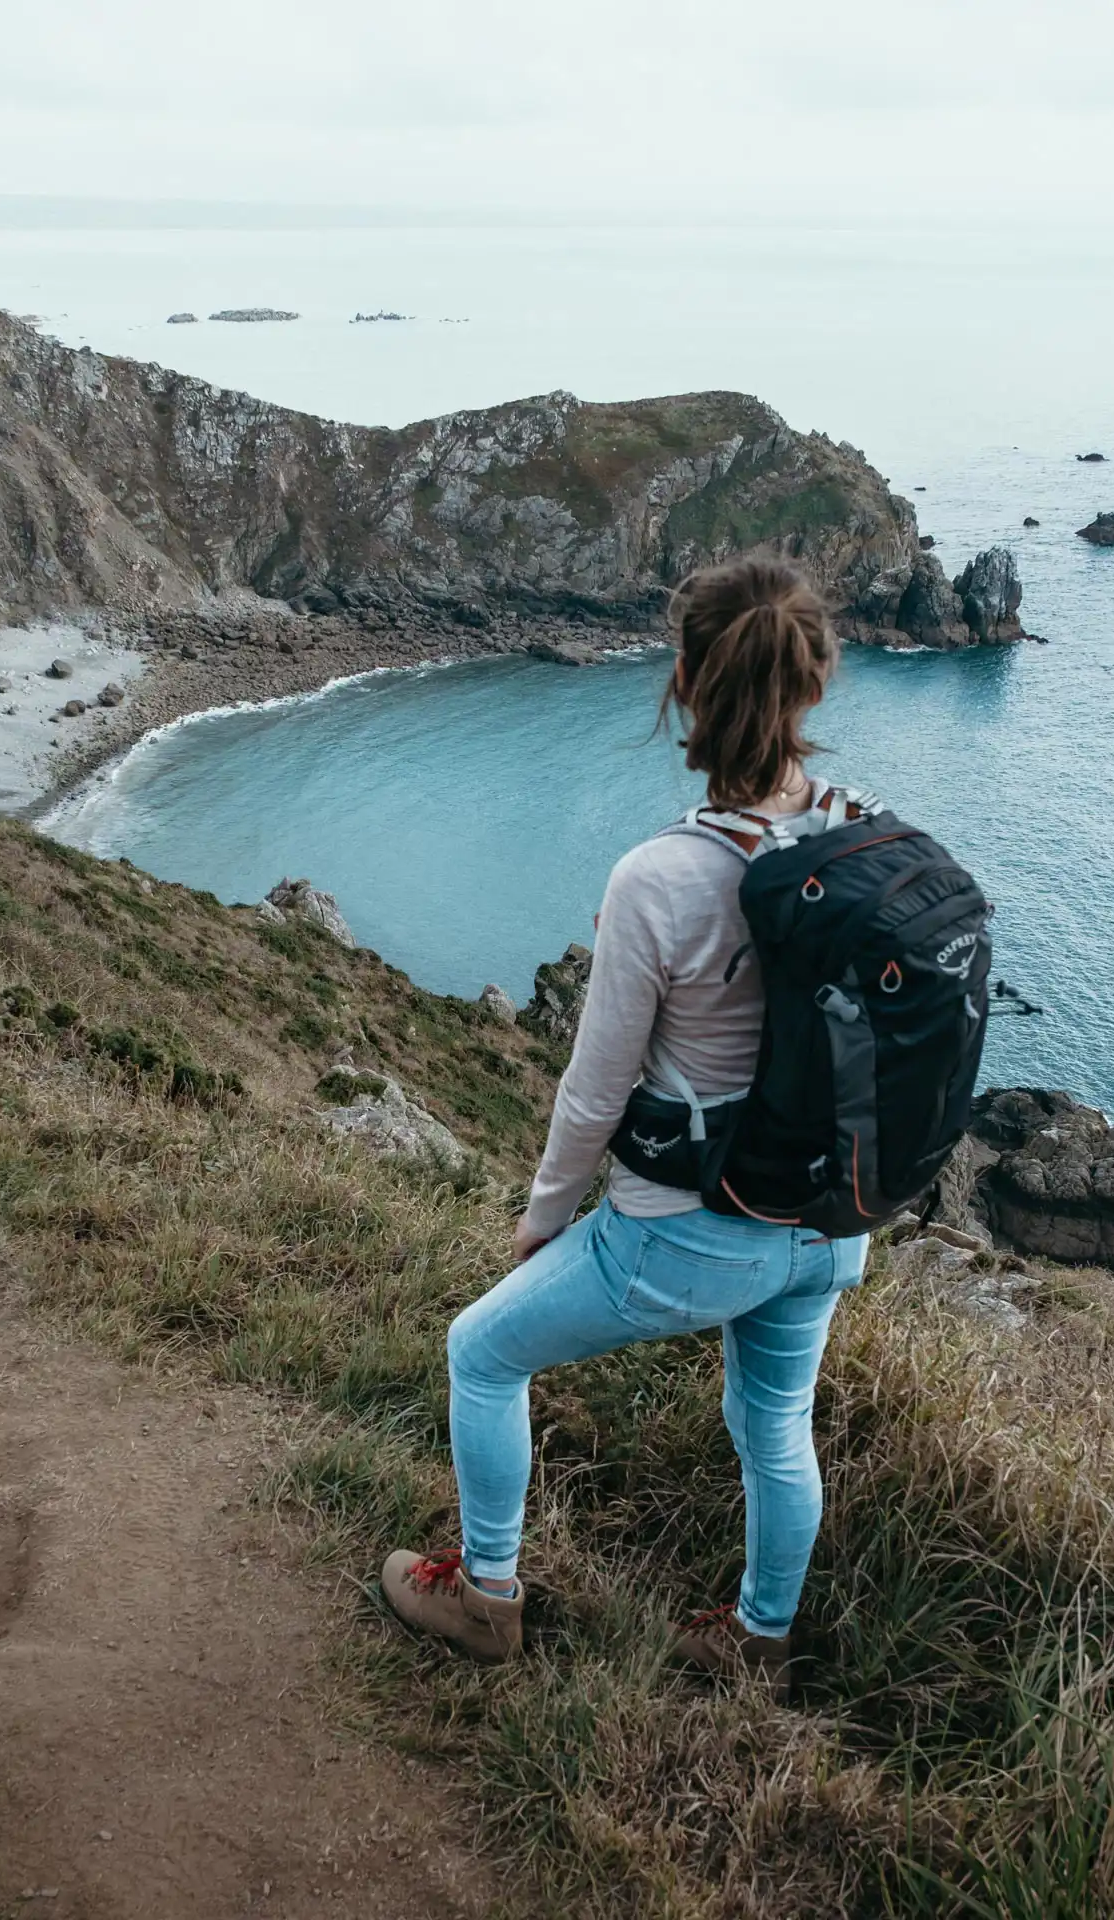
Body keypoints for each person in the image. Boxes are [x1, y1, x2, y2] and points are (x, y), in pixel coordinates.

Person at [381, 557, 869, 1697]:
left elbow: (593, 1096)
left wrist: (542, 1221)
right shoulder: (859, 839)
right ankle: (758, 1638)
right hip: (831, 1221)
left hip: (688, 1236)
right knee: (774, 1422)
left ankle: (489, 1603)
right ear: (813, 686)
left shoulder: (659, 877)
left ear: (686, 681)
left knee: (480, 1352)